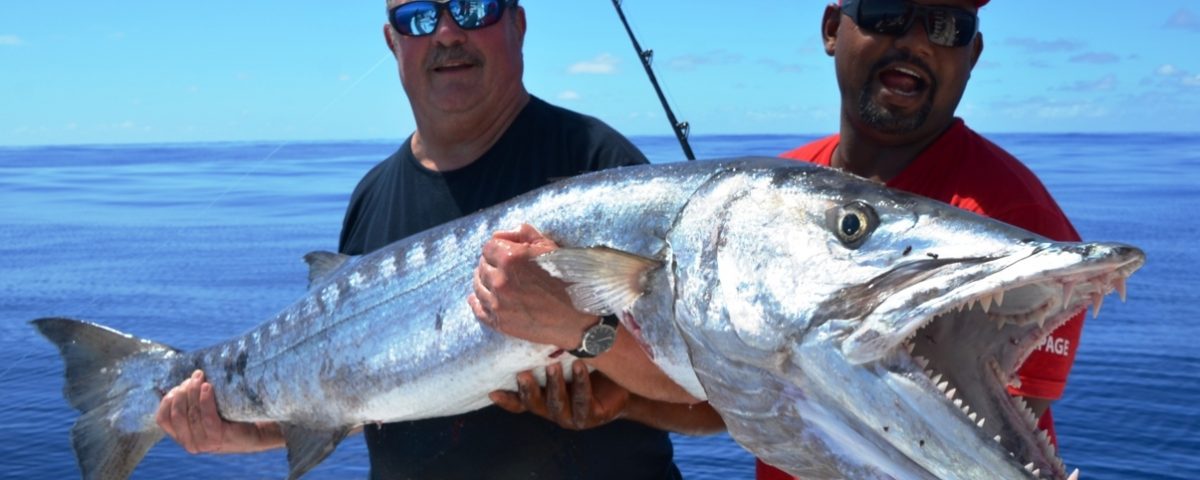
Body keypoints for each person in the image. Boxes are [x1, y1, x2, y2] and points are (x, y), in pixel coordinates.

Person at [156, 0, 704, 478]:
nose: (445, 32)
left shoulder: (598, 170)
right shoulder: (372, 196)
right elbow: (375, 386)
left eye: (473, 8)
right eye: (417, 17)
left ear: (518, 22)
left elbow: (715, 401)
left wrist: (601, 355)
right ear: (393, 41)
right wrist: (257, 433)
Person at [756, 0, 1085, 478]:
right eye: (886, 12)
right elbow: (726, 390)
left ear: (972, 54)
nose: (914, 41)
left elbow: (962, 449)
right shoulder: (775, 192)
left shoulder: (1021, 227)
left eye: (947, 26)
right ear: (831, 29)